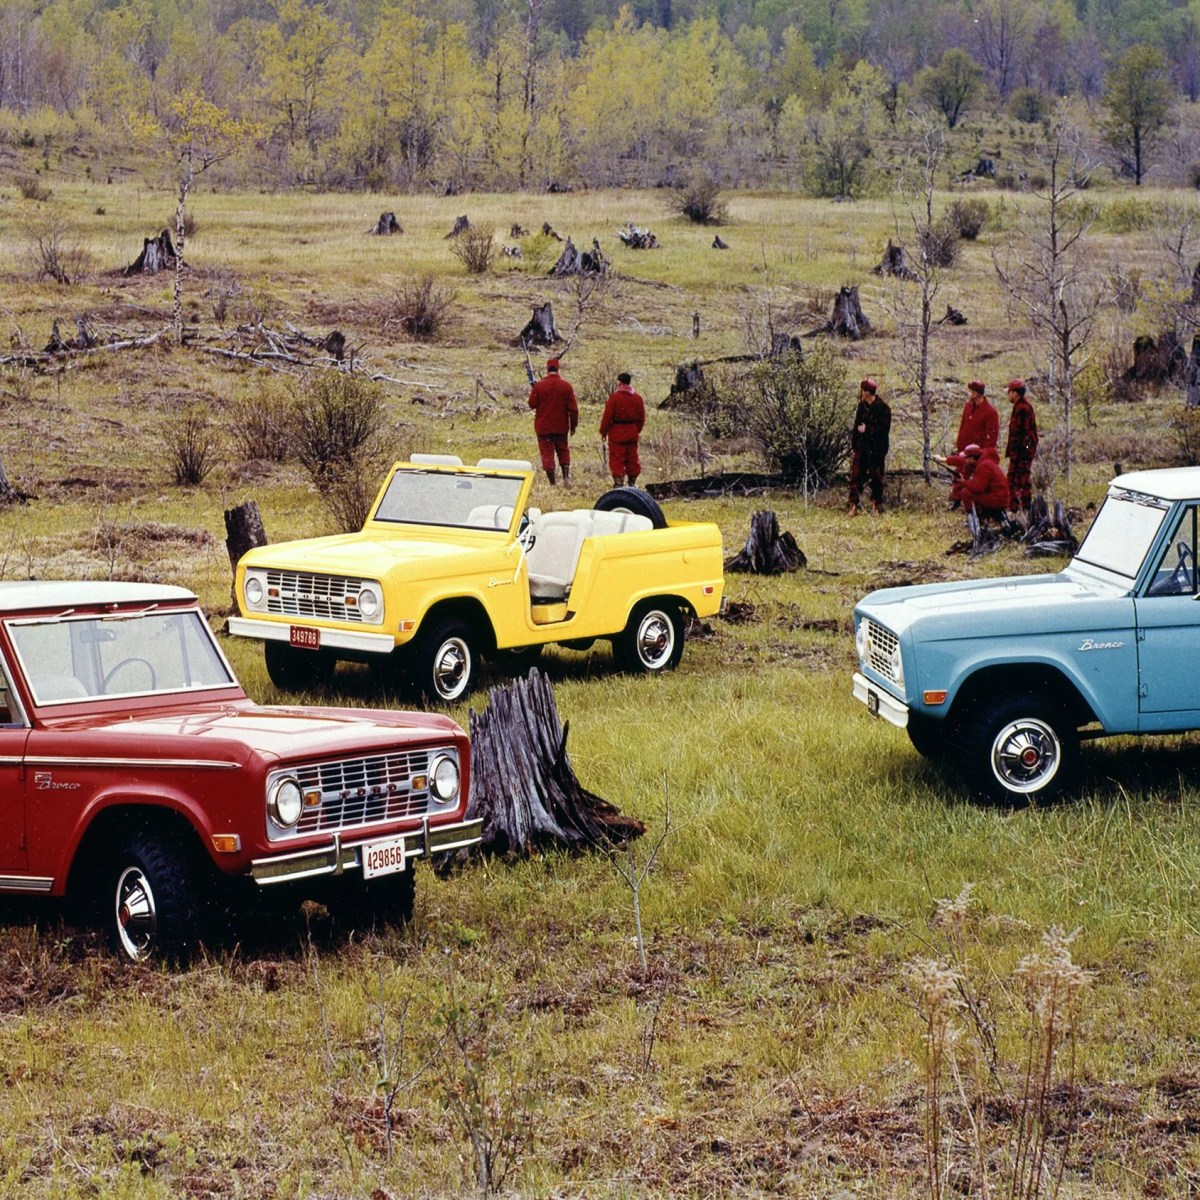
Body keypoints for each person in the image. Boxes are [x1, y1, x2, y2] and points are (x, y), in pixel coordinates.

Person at [527, 357, 578, 485]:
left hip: (543, 428)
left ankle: (552, 483)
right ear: (558, 369)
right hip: (561, 426)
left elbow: (532, 404)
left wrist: (534, 389)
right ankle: (566, 477)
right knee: (563, 450)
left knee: (547, 454)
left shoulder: (539, 386)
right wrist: (573, 426)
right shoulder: (566, 386)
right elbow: (573, 410)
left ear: (547, 369)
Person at [847, 377, 890, 516]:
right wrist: (855, 445)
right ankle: (854, 505)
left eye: (863, 390)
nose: (862, 393)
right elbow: (856, 426)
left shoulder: (883, 408)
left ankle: (876, 506)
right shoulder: (862, 406)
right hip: (862, 448)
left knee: (876, 477)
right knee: (856, 477)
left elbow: (884, 428)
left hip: (876, 449)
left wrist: (869, 429)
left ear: (867, 392)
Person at [599, 371, 646, 486]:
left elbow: (607, 417)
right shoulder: (637, 398)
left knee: (617, 458)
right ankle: (632, 482)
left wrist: (603, 432)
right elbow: (641, 418)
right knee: (632, 458)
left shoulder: (614, 398)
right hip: (632, 432)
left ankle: (619, 483)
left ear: (619, 382)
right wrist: (636, 430)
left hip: (617, 432)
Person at [950, 443, 1010, 520]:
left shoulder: (983, 466)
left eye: (966, 458)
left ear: (972, 458)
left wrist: (963, 482)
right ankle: (984, 513)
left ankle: (973, 517)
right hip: (1000, 497)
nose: (964, 460)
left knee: (966, 493)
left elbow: (978, 488)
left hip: (998, 500)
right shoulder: (984, 461)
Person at [1004, 378, 1038, 512]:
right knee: (1015, 479)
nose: (1008, 395)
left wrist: (1022, 454)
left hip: (1022, 453)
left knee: (1019, 479)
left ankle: (1021, 508)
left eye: (1010, 392)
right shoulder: (1019, 407)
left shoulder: (1023, 409)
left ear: (1015, 393)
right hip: (1019, 452)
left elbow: (1026, 435)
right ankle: (1016, 507)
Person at [956, 380, 999, 453]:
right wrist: (959, 445)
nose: (968, 394)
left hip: (977, 455)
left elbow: (991, 439)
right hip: (963, 451)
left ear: (975, 394)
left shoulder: (991, 412)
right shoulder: (968, 406)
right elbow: (962, 427)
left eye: (970, 392)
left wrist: (984, 455)